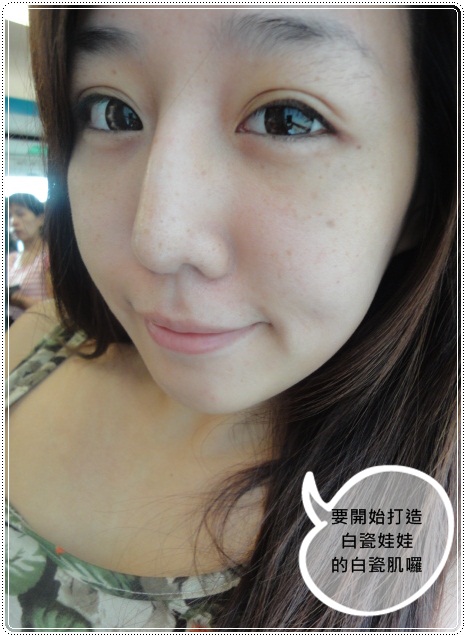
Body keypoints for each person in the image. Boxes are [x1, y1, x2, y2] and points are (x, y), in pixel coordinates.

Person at [6, 7, 457, 630]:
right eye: (114, 112)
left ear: (425, 193)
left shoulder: (434, 561)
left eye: (286, 119)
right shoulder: (32, 347)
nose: (157, 240)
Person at [7, 193, 51, 326]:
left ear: (41, 219)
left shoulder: (49, 257)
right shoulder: (11, 259)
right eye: (9, 217)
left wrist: (17, 299)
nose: (13, 222)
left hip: (39, 330)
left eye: (20, 214)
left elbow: (55, 309)